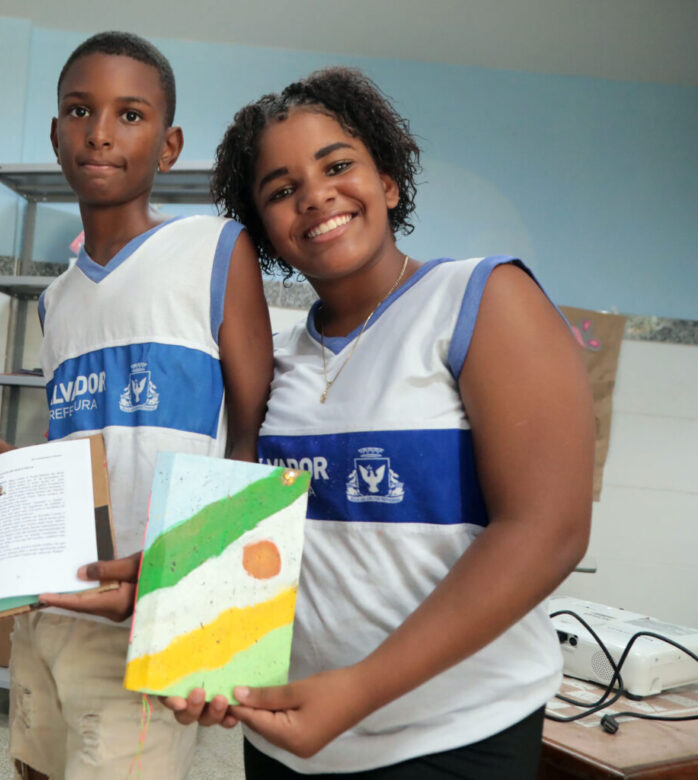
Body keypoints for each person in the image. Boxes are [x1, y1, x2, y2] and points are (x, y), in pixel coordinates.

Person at [158, 67, 594, 778]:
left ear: (388, 183)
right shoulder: (282, 363)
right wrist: (179, 611)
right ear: (265, 230)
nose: (315, 194)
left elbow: (548, 531)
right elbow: (250, 542)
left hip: (450, 738)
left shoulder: (479, 299)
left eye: (337, 165)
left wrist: (358, 690)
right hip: (285, 734)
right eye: (280, 189)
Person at [0, 31, 273, 780]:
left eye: (130, 115)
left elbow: (252, 441)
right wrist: (0, 454)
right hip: (52, 603)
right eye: (80, 111)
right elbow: (80, 457)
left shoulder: (217, 251)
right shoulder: (58, 300)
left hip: (150, 616)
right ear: (56, 133)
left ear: (170, 142)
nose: (100, 132)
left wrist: (199, 611)